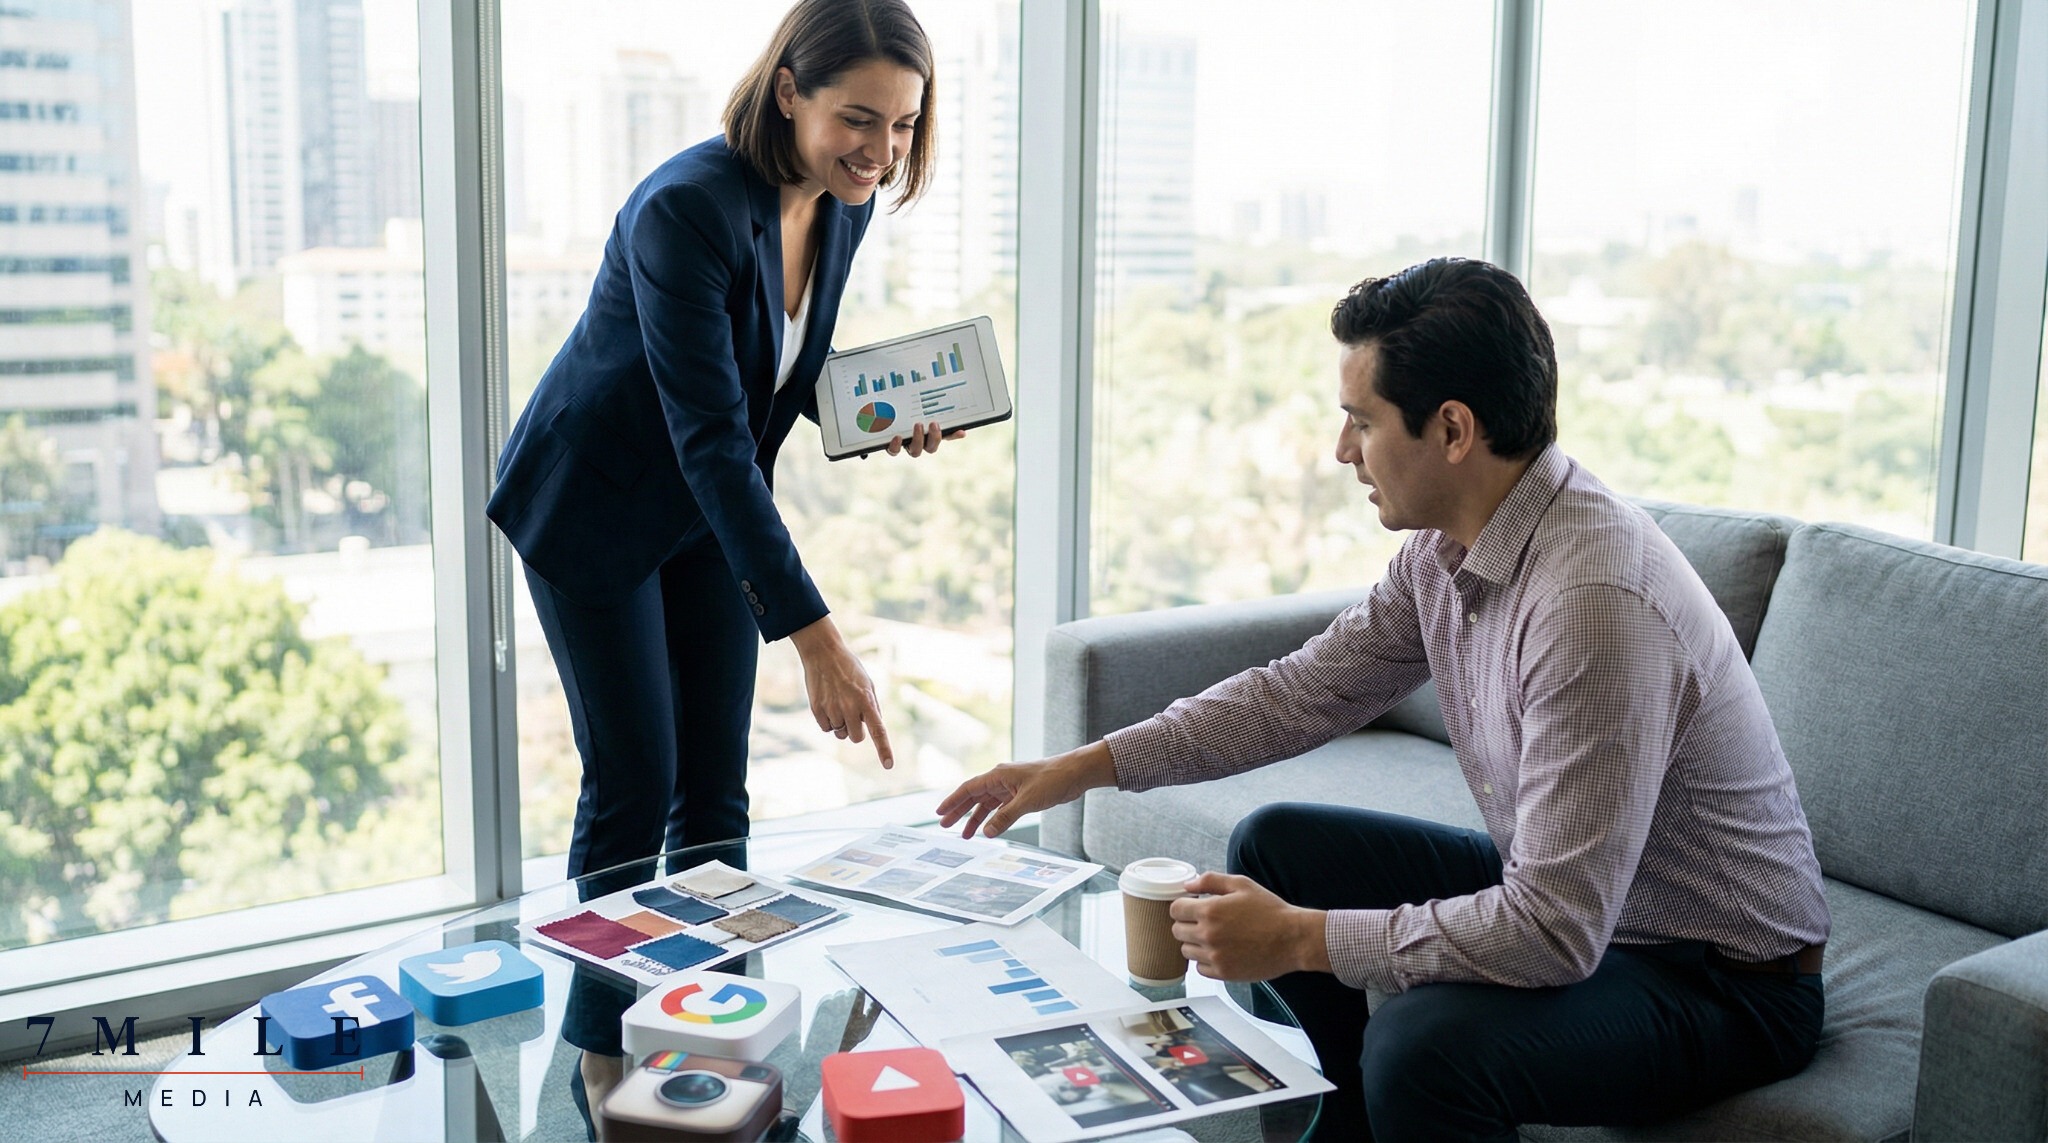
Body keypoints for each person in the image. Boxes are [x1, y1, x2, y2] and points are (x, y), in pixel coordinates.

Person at [937, 257, 1831, 1141]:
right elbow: (1296, 695)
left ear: (1451, 429)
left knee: (1418, 1048)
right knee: (1279, 845)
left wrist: (1298, 939)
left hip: (1719, 977)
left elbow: (1556, 932)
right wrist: (1081, 767)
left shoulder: (1593, 604)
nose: (1341, 451)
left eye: (1360, 422)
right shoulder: (1446, 551)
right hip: (1601, 900)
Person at [486, 0, 949, 1123]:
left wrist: (872, 415)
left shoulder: (841, 207)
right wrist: (817, 637)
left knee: (715, 790)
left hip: (702, 511)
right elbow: (706, 435)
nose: (880, 154)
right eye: (857, 119)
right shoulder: (682, 210)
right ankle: (602, 1053)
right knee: (634, 781)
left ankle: (711, 1024)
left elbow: (765, 377)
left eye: (901, 127)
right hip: (591, 507)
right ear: (787, 88)